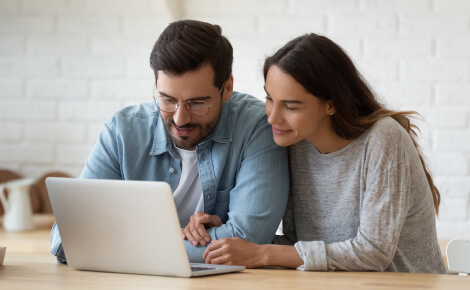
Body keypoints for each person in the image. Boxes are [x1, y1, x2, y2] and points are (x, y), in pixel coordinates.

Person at [193, 33, 447, 273]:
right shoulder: (295, 143)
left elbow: (374, 252)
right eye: (270, 99)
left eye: (290, 106)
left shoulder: (383, 138)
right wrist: (230, 237)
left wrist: (262, 254)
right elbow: (300, 246)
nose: (271, 117)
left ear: (331, 104)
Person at [50, 20, 289, 263]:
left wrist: (122, 244)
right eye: (167, 99)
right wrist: (179, 240)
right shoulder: (122, 131)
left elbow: (249, 239)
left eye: (197, 103)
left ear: (227, 88)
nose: (180, 118)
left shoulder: (257, 127)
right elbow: (67, 238)